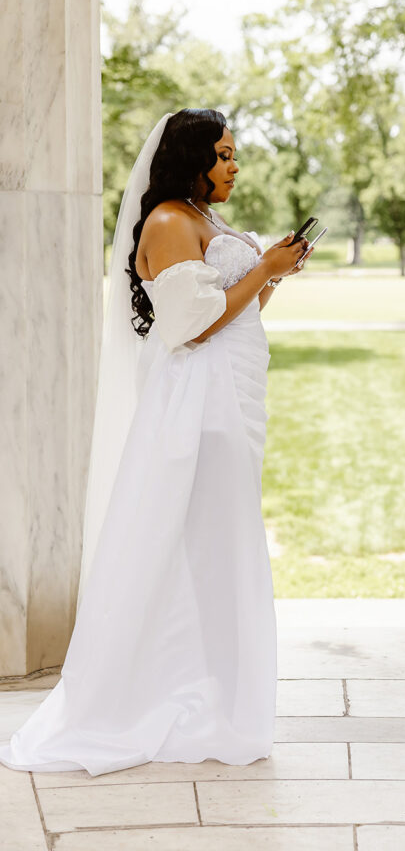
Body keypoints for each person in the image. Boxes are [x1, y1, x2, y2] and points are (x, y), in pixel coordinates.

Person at [0, 108, 309, 776]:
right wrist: (264, 269)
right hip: (194, 402)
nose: (234, 166)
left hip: (230, 397)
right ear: (192, 158)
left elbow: (236, 313)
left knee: (217, 542)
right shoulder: (170, 221)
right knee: (183, 536)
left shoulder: (208, 221)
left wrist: (272, 274)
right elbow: (191, 327)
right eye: (224, 155)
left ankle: (210, 691)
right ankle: (144, 699)